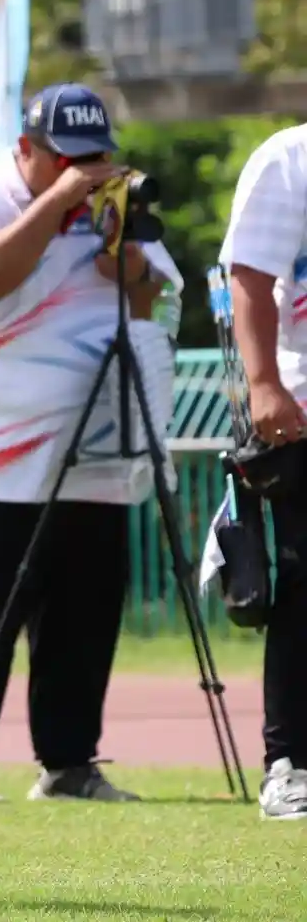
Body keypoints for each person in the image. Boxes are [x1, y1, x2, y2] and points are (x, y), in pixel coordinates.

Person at [0, 83, 181, 806]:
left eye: (97, 159)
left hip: (96, 445)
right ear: (26, 150)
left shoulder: (112, 205)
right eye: (69, 160)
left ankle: (69, 763)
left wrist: (122, 260)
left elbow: (145, 303)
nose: (88, 172)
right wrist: (56, 204)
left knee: (86, 612)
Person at [216, 120, 307, 819]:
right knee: (306, 582)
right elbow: (248, 274)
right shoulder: (289, 157)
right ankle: (291, 761)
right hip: (304, 405)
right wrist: (262, 382)